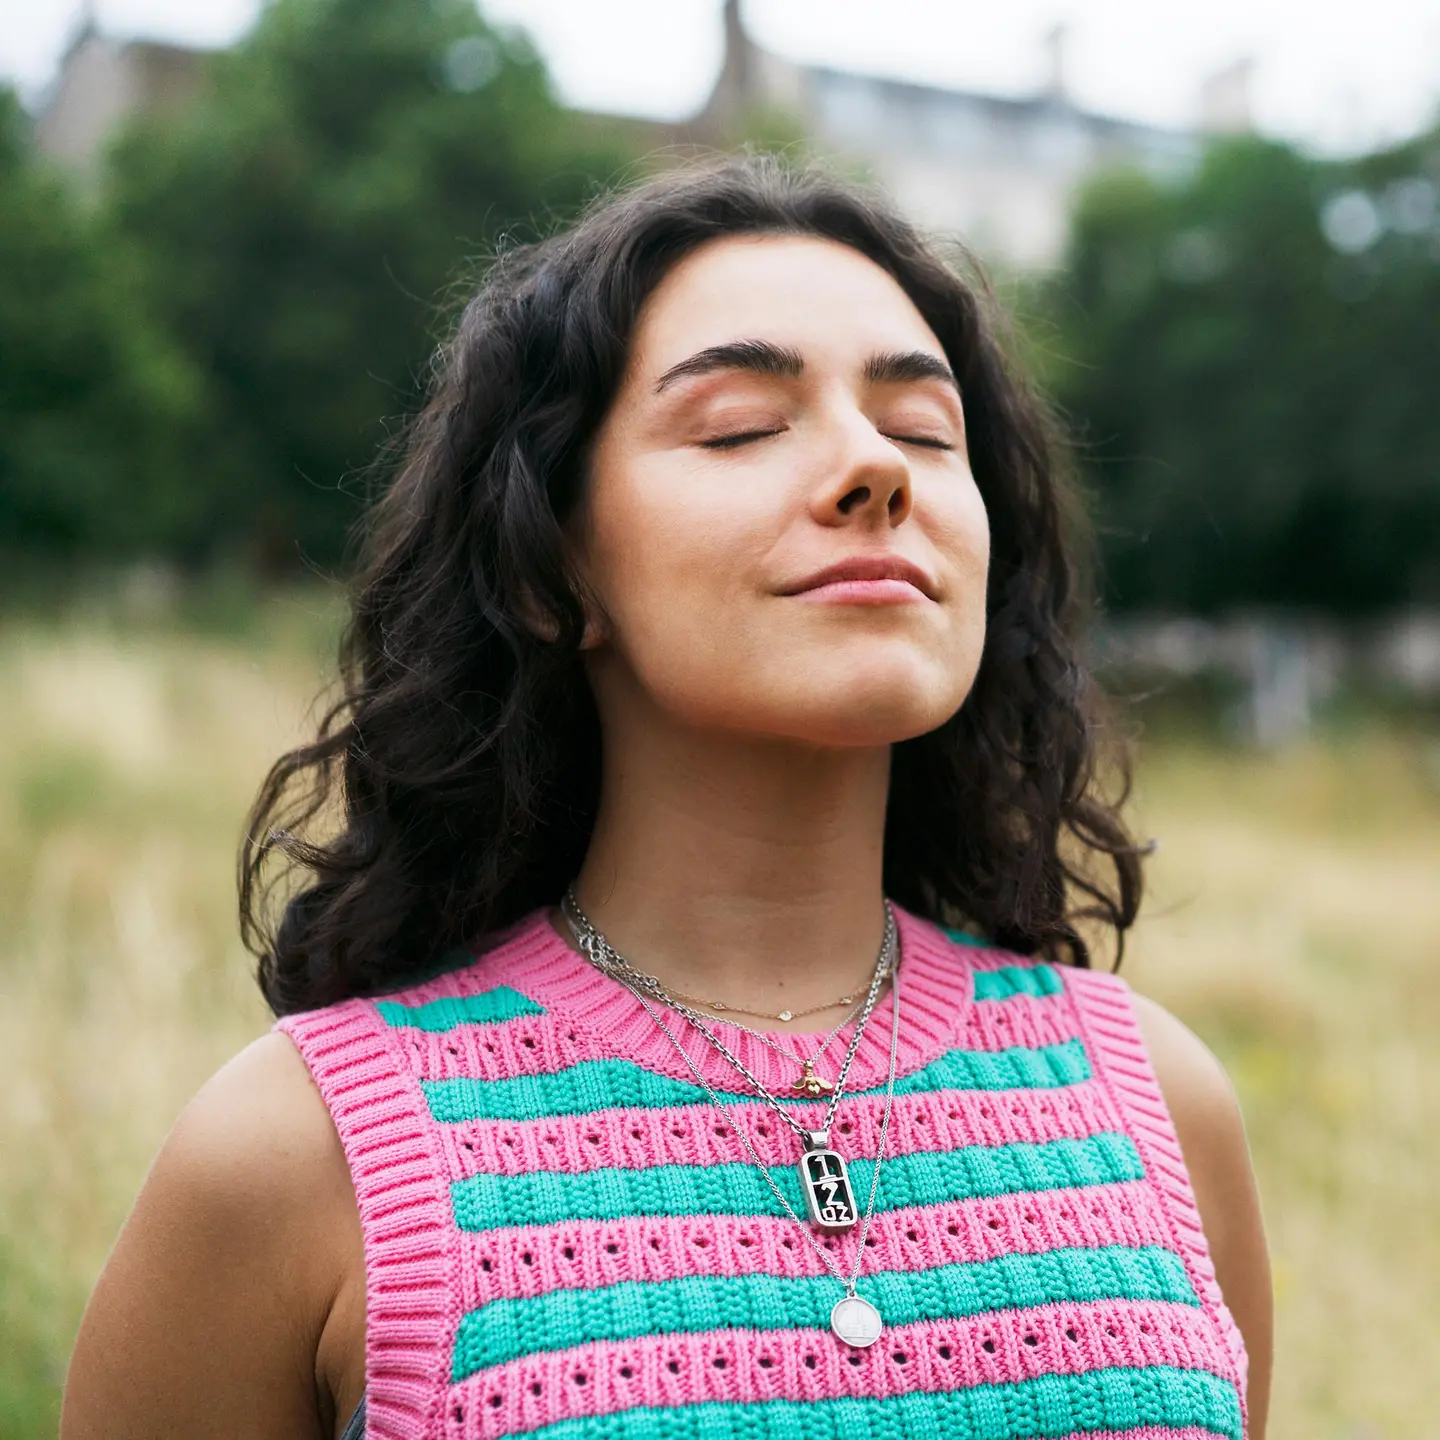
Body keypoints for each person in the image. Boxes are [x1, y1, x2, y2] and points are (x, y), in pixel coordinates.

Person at [61, 156, 1271, 1440]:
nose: (878, 471)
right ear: (550, 568)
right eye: (743, 425)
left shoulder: (1160, 1107)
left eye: (926, 431)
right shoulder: (298, 1160)